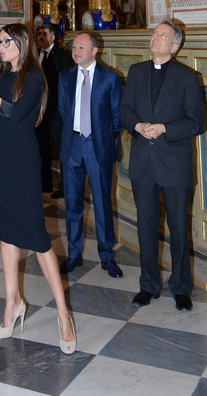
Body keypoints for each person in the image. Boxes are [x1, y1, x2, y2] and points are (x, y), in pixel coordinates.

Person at [0, 24, 77, 354]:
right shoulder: (4, 76)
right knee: (5, 232)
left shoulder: (33, 77)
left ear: (23, 43)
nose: (1, 46)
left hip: (23, 162)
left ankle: (63, 314)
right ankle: (12, 303)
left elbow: (15, 115)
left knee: (37, 236)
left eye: (6, 41)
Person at [119, 19, 205, 311]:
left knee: (179, 228)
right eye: (154, 33)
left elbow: (197, 122)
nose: (155, 37)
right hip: (143, 161)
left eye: (162, 35)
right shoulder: (136, 71)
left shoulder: (188, 77)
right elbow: (125, 109)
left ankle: (181, 288)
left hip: (174, 163)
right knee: (145, 226)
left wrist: (165, 127)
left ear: (175, 45)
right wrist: (137, 125)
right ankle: (149, 285)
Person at [58, 32, 123, 278]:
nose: (76, 51)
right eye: (74, 47)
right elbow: (65, 111)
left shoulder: (110, 78)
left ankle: (107, 256)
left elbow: (117, 117)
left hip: (98, 147)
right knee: (72, 205)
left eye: (81, 47)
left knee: (103, 204)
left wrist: (101, 136)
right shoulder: (65, 77)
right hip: (72, 145)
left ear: (95, 50)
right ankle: (74, 255)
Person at [36, 23, 74, 195]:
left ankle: (64, 187)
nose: (40, 37)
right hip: (41, 110)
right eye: (38, 34)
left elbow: (67, 84)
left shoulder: (63, 56)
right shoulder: (36, 54)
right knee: (41, 147)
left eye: (44, 34)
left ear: (53, 37)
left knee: (61, 148)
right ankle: (44, 183)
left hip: (58, 110)